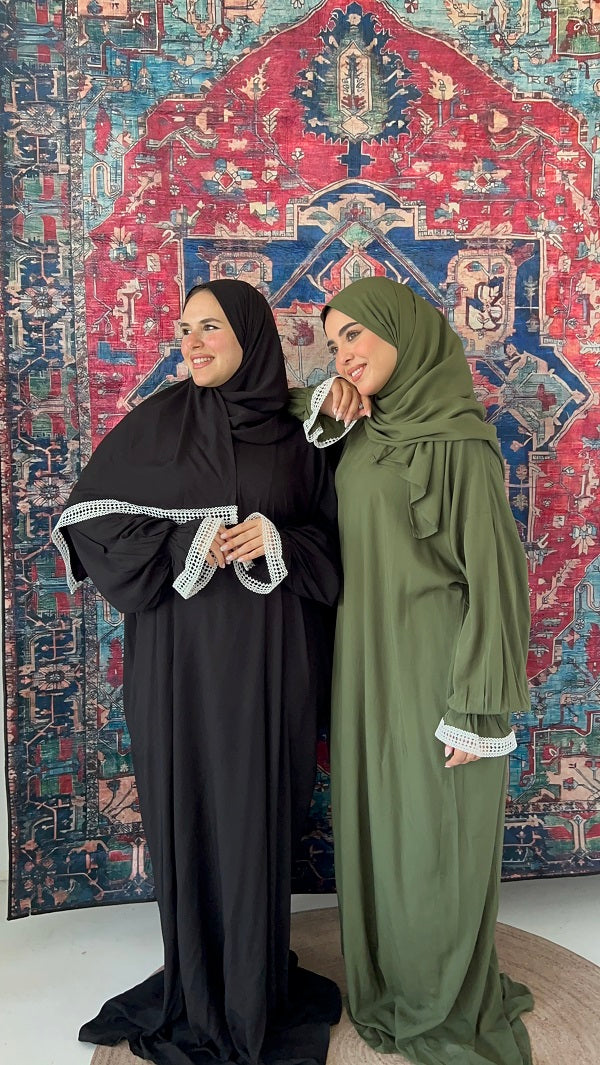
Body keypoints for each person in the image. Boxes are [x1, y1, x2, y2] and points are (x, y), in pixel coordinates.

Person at [53, 280, 342, 1065]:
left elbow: (340, 544)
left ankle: (255, 987)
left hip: (274, 664)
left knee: (261, 810)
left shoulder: (300, 436)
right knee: (189, 806)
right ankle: (200, 987)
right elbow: (90, 529)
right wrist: (187, 544)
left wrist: (275, 541)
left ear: (251, 335)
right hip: (178, 667)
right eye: (185, 328)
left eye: (210, 326)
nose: (192, 342)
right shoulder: (159, 424)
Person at [288, 277, 534, 1065]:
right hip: (367, 665)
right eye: (334, 344)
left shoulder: (458, 442)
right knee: (382, 835)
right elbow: (269, 409)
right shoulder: (361, 430)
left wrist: (479, 706)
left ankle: (441, 1002)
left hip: (436, 666)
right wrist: (324, 398)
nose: (343, 355)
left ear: (403, 333)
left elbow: (498, 579)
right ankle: (397, 979)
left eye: (355, 336)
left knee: (433, 842)